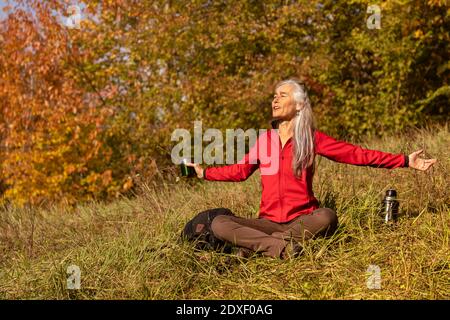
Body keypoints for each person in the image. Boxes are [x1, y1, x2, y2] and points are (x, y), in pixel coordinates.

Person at [186, 79, 437, 259]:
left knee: (327, 216)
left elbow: (355, 154)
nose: (275, 98)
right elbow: (239, 171)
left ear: (298, 105)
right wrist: (203, 172)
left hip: (303, 221)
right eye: (274, 95)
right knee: (219, 223)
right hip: (266, 223)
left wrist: (404, 160)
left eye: (282, 95)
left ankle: (254, 250)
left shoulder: (310, 138)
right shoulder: (264, 141)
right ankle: (279, 248)